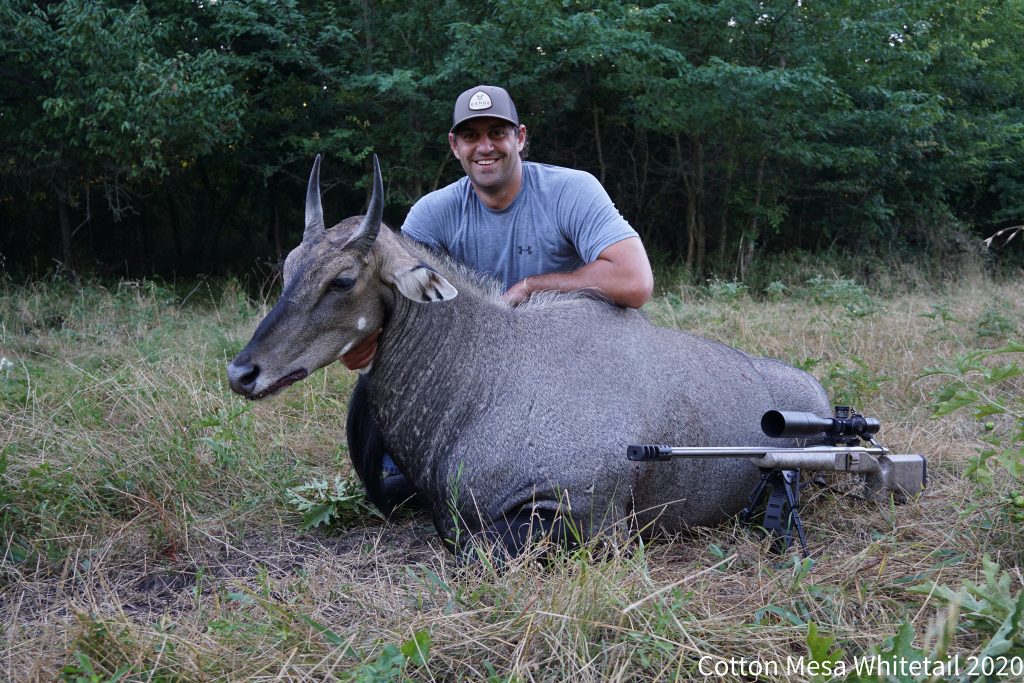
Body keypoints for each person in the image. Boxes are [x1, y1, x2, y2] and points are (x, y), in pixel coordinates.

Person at [343, 85, 654, 515]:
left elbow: (634, 281)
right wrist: (364, 338)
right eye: (470, 136)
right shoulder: (433, 213)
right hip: (483, 370)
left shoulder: (571, 190)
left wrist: (532, 288)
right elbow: (399, 299)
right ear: (455, 146)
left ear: (520, 138)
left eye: (497, 133)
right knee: (382, 390)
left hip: (568, 360)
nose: (484, 147)